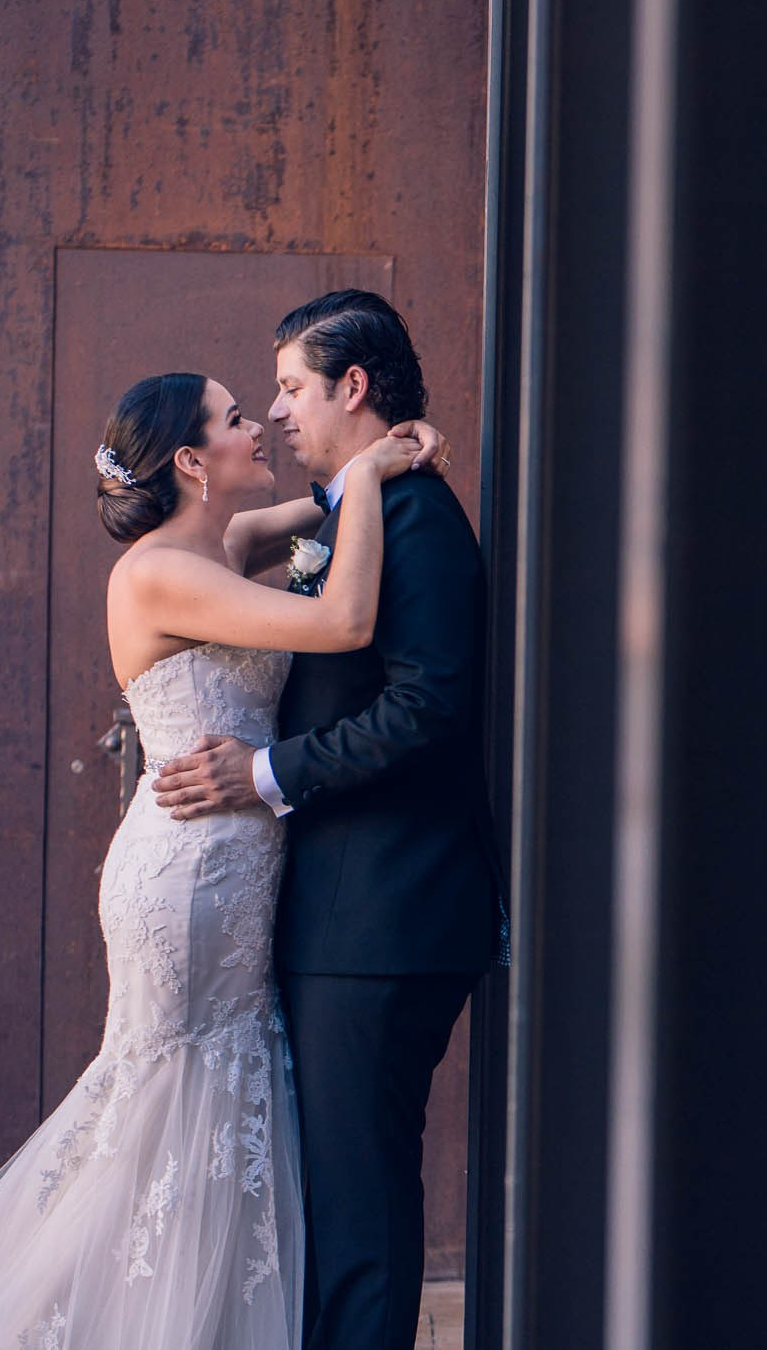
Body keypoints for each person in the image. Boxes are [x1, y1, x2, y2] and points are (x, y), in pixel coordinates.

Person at [0, 373, 444, 1350]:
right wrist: (367, 478)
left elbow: (314, 508)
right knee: (165, 1103)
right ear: (191, 459)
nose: (260, 426)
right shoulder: (155, 575)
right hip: (187, 877)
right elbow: (343, 622)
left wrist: (372, 461)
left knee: (211, 1097)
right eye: (238, 417)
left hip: (237, 872)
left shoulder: (225, 543)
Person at [150, 290, 506, 1350]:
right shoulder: (356, 508)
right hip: (342, 917)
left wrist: (263, 772)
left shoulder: (415, 520)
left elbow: (427, 707)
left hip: (385, 918)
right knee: (335, 1201)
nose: (276, 410)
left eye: (291, 387)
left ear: (353, 387)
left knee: (360, 1211)